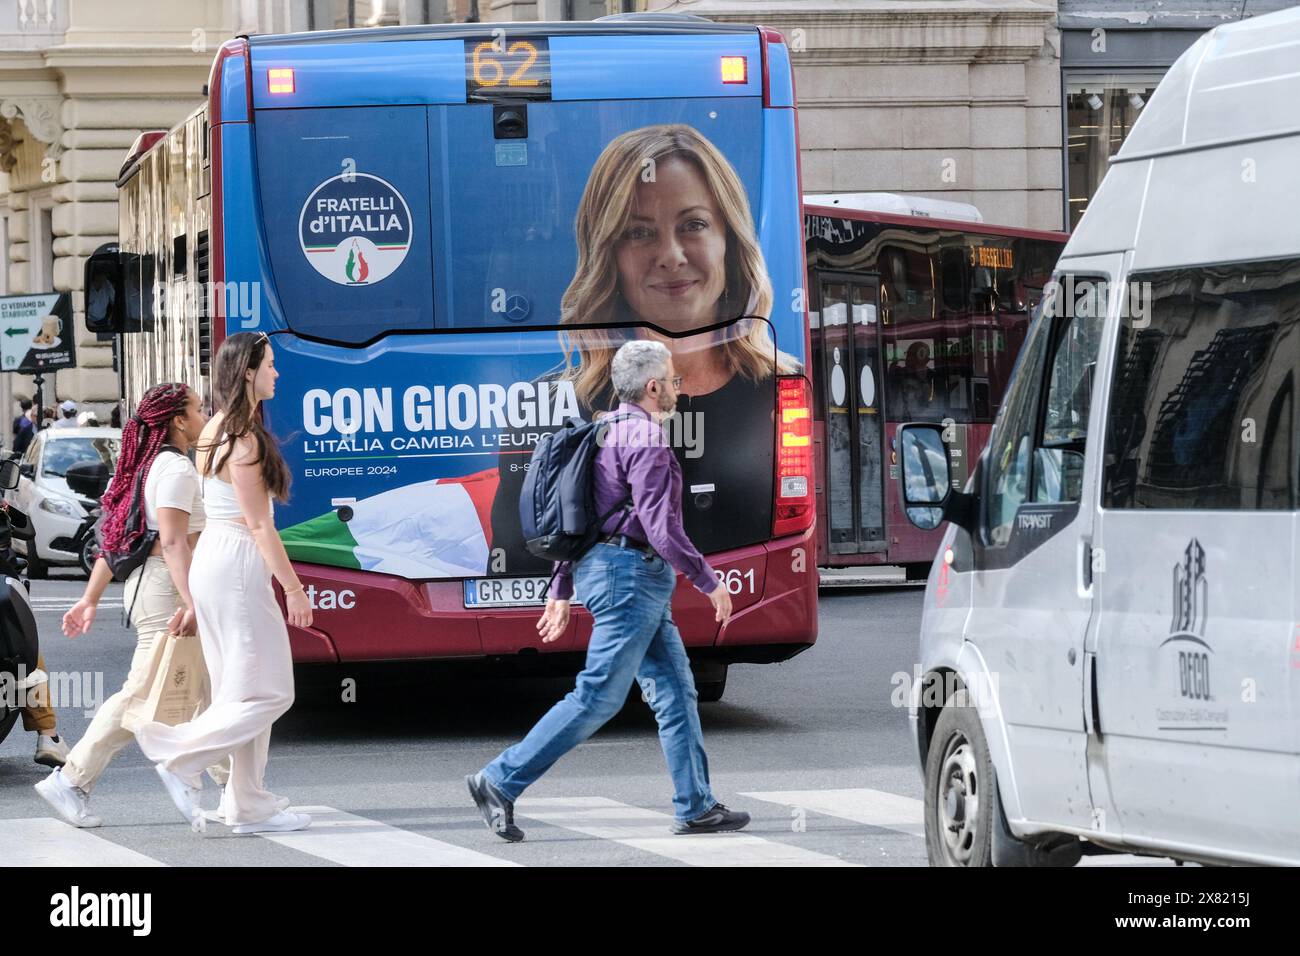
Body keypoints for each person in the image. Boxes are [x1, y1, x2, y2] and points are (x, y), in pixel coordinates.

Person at [468, 339, 746, 842]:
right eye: (674, 382)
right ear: (654, 386)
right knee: (598, 695)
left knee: (677, 692)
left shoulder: (603, 430)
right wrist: (710, 581)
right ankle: (499, 780)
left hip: (622, 575)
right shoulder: (647, 440)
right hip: (630, 578)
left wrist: (561, 585)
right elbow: (661, 529)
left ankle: (696, 804)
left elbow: (580, 520)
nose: (679, 391)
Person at [491, 124, 800, 576]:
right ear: (608, 255)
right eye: (639, 233)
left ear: (730, 241)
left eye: (693, 225)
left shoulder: (780, 392)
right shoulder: (546, 406)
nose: (671, 255)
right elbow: (521, 567)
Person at [134, 332, 312, 834]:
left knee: (242, 690)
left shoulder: (217, 427)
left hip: (218, 558)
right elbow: (259, 525)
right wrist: (295, 589)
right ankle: (179, 756)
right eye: (271, 365)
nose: (277, 373)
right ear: (249, 372)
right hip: (235, 559)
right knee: (271, 692)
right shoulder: (243, 436)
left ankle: (247, 803)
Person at [34, 383, 234, 828]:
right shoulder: (176, 471)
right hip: (167, 589)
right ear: (178, 421)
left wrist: (88, 599)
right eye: (198, 410)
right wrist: (193, 601)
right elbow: (174, 543)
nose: (205, 417)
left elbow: (119, 539)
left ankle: (235, 789)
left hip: (157, 586)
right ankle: (71, 781)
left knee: (205, 691)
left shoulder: (149, 467)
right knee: (140, 696)